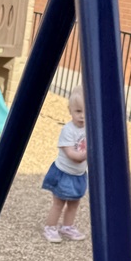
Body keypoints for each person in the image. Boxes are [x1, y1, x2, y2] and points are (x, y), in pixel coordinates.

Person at [42, 87, 88, 243]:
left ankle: (67, 227)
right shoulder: (68, 130)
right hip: (63, 173)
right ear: (70, 111)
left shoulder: (90, 129)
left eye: (86, 111)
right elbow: (72, 154)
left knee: (74, 203)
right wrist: (86, 154)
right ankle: (50, 227)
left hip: (79, 174)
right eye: (78, 111)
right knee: (59, 203)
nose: (82, 116)